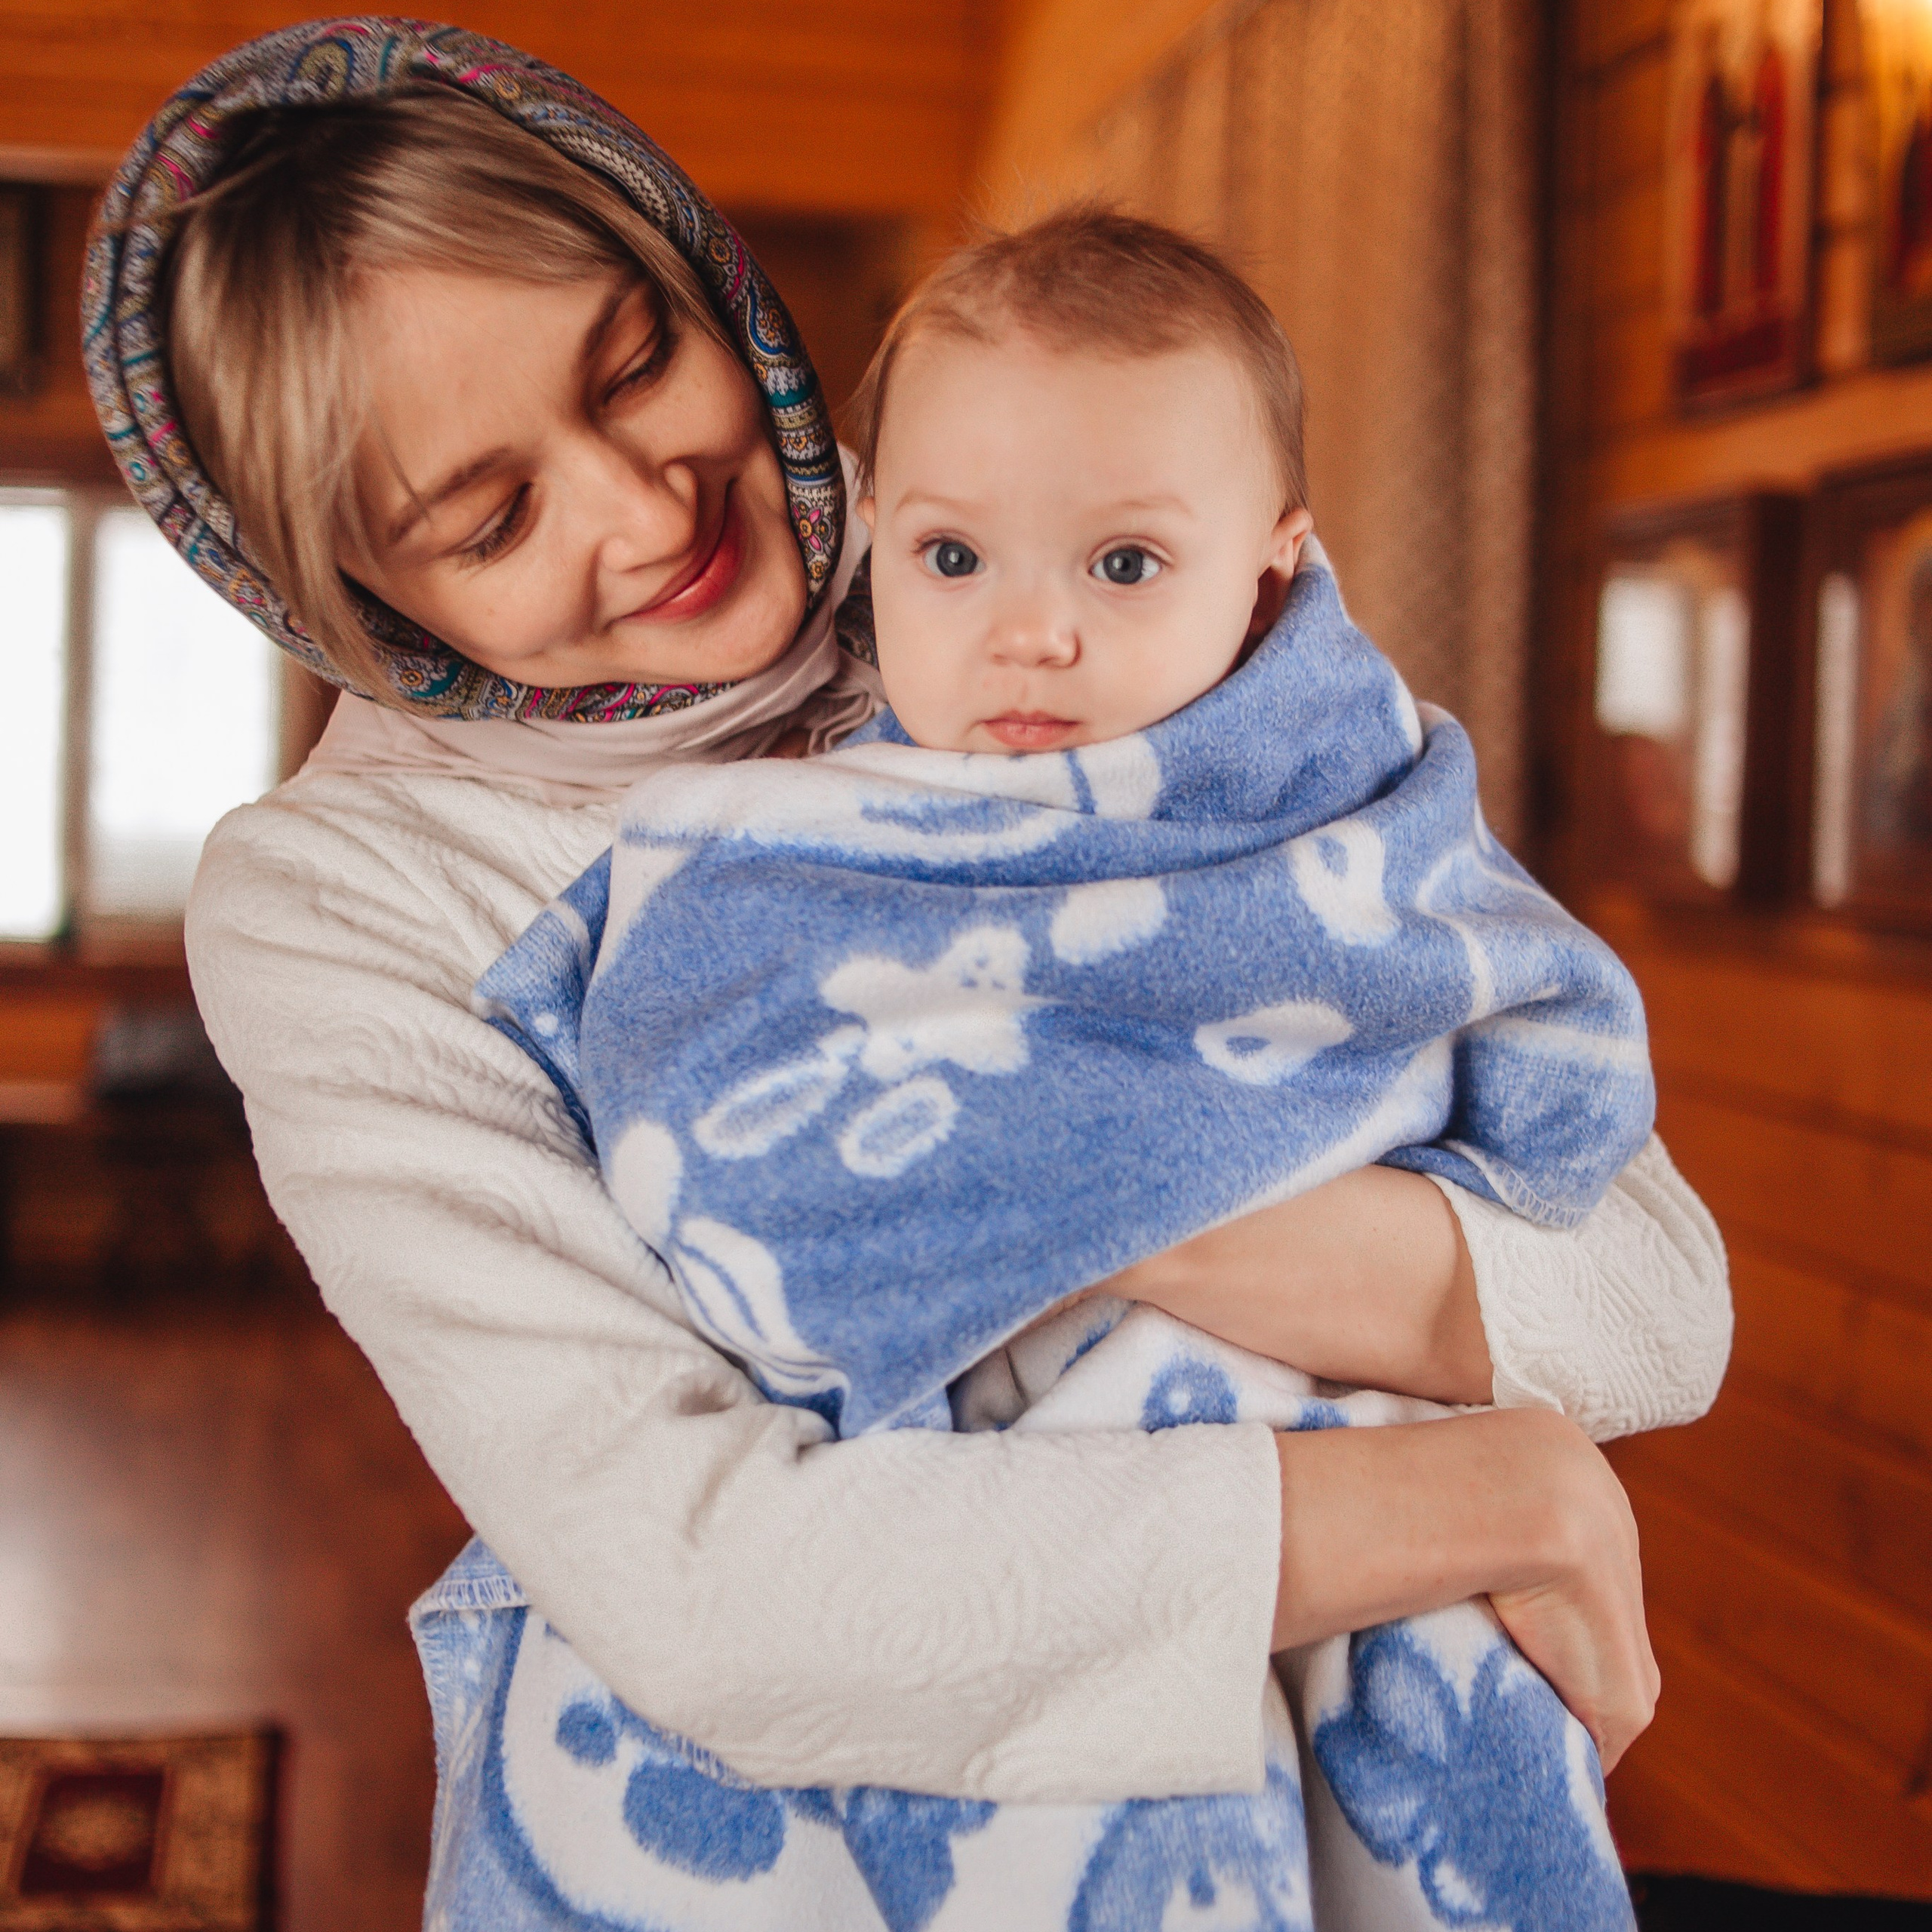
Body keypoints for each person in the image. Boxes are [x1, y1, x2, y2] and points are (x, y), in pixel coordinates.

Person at [84, 20, 1729, 1927]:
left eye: (636, 367)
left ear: (703, 272)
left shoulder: (1052, 544)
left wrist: (969, 1182)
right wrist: (1492, 1491)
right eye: (493, 517)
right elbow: (705, 1579)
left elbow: (1646, 1292)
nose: (646, 509)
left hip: (1333, 1770)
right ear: (351, 597)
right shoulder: (357, 894)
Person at [470, 210, 1663, 1927]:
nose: (1030, 632)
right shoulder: (781, 840)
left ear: (1272, 562)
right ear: (876, 531)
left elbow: (1551, 1086)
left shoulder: (1331, 796)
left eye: (1120, 566)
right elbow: (706, 1120)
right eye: (957, 561)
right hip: (957, 1521)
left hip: (1312, 1441)